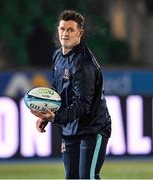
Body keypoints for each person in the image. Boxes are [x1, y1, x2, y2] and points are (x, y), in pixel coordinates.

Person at [31, 10, 111, 179]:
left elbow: (83, 105)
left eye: (70, 30)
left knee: (87, 177)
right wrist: (46, 116)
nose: (65, 34)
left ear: (80, 33)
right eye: (62, 29)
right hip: (69, 130)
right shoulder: (58, 56)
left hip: (93, 129)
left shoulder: (83, 63)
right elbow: (57, 89)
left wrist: (55, 117)